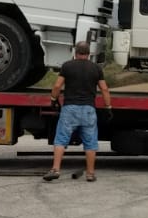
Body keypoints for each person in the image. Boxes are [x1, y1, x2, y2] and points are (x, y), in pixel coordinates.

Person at [44, 41, 113, 182]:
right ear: (89, 54)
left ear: (75, 52)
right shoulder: (96, 68)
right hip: (88, 109)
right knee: (90, 142)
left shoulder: (67, 66)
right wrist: (108, 107)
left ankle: (55, 169)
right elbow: (104, 89)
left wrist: (53, 99)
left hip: (70, 108)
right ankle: (90, 174)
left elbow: (57, 85)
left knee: (61, 139)